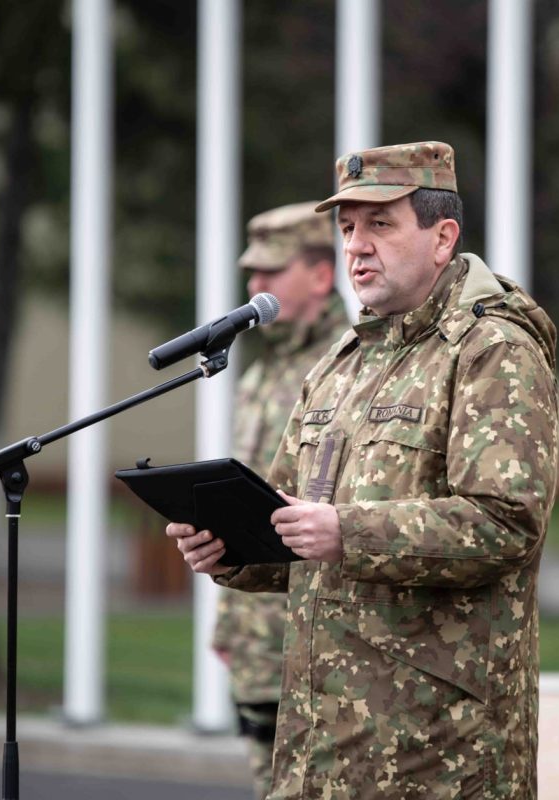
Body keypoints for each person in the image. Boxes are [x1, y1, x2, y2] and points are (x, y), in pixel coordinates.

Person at [169, 142, 558, 799]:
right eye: (346, 228)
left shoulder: (494, 351)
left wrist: (348, 532)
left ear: (443, 238)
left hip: (437, 754)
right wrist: (230, 549)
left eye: (380, 225)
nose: (355, 246)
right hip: (323, 747)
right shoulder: (342, 362)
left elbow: (506, 522)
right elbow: (294, 530)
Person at [211, 201, 349, 798]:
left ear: (320, 275)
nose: (254, 285)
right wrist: (228, 621)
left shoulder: (351, 362)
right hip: (255, 634)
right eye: (253, 273)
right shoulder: (259, 374)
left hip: (314, 634)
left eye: (272, 272)